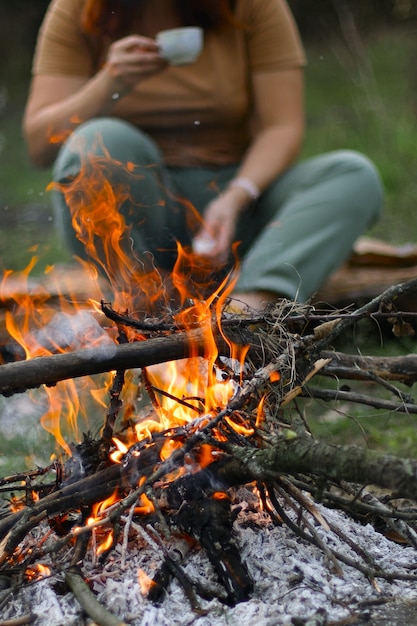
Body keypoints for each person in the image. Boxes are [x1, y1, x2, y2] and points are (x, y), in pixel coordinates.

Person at [23, 0, 383, 313]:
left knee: (353, 175)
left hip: (241, 214)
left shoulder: (252, 4)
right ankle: (146, 308)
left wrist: (237, 196)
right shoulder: (80, 7)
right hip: (144, 219)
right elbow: (40, 145)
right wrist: (108, 84)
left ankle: (247, 313)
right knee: (92, 143)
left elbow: (282, 128)